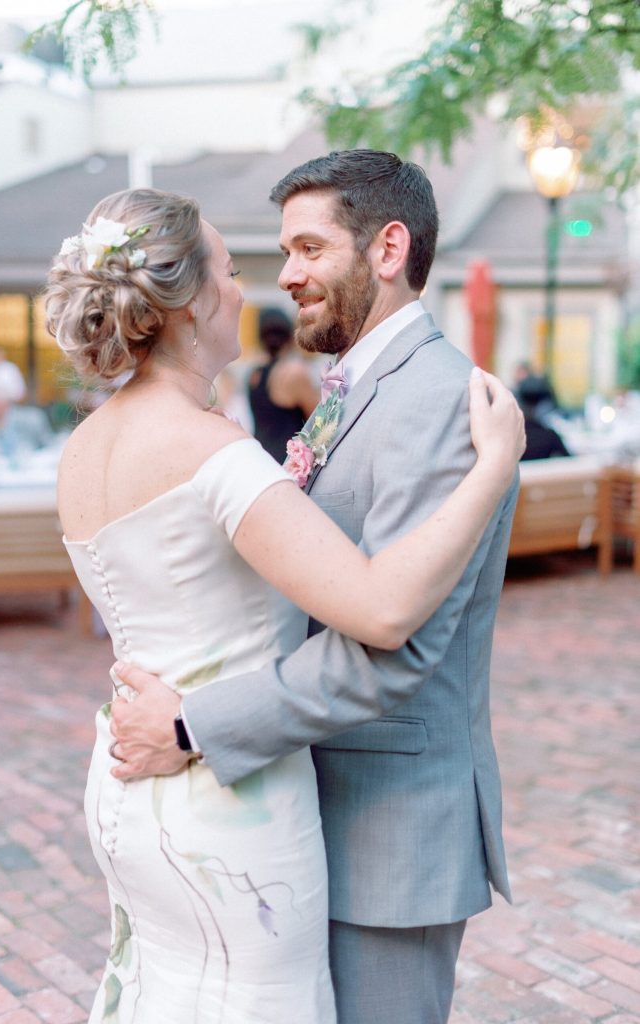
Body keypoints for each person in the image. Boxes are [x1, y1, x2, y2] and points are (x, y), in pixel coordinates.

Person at [49, 182, 523, 1024]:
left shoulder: (86, 445)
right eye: (238, 267)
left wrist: (192, 720)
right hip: (225, 796)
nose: (265, 281)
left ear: (387, 249)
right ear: (192, 299)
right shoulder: (213, 446)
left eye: (308, 249)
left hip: (164, 788)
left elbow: (395, 646)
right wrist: (497, 466)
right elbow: (378, 607)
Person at [247, 306, 320, 461]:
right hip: (288, 464)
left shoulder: (255, 374)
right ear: (290, 335)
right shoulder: (293, 374)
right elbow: (320, 423)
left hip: (260, 459)